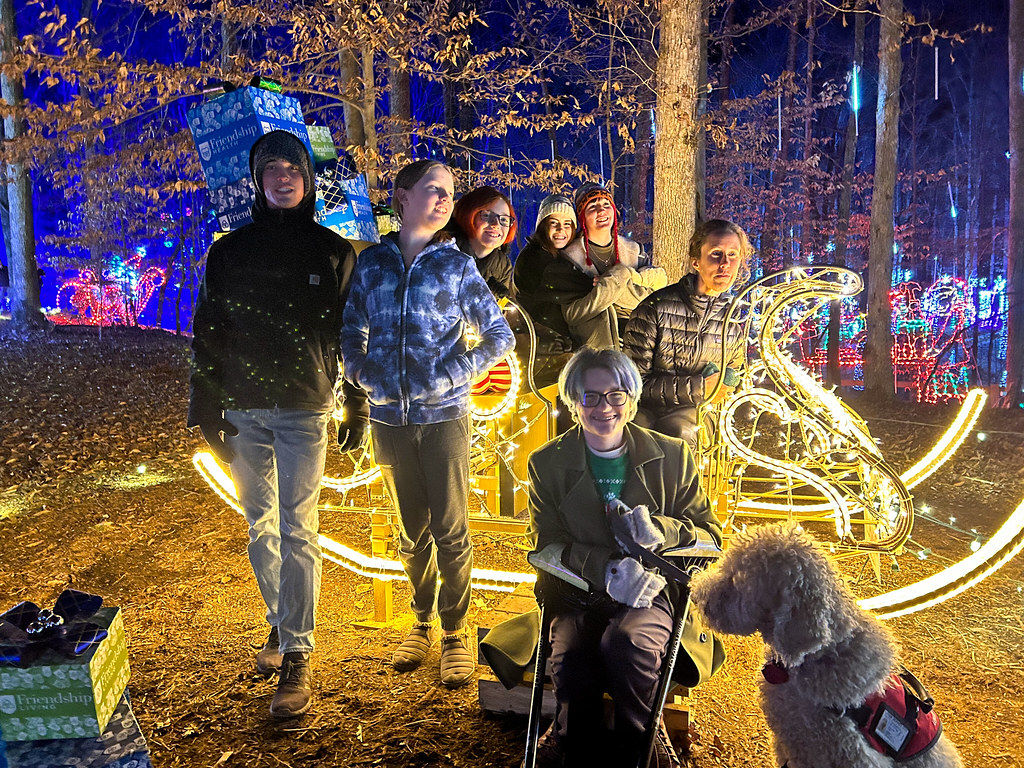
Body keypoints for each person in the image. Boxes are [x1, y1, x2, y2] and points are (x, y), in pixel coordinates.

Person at [188, 130, 364, 719]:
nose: (284, 177)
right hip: (242, 408)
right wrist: (204, 405)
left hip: (304, 409)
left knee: (299, 529)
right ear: (258, 180)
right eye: (272, 169)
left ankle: (297, 655)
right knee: (259, 530)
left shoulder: (333, 251)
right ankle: (281, 621)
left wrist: (358, 402)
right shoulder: (229, 253)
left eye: (294, 168)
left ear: (307, 179)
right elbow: (208, 330)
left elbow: (349, 335)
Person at [341, 159, 515, 688]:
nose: (443, 200)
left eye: (449, 193)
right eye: (433, 191)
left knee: (452, 529)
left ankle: (456, 632)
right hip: (389, 420)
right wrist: (367, 377)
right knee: (410, 529)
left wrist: (450, 375)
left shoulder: (456, 267)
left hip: (445, 419)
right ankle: (420, 621)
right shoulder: (371, 265)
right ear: (402, 197)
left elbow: (498, 338)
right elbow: (350, 332)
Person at [526, 347, 722, 767]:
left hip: (650, 594)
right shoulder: (546, 463)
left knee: (629, 644)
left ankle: (644, 743)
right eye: (590, 396)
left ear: (631, 400)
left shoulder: (673, 456)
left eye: (616, 395)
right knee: (573, 657)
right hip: (578, 594)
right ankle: (570, 739)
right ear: (572, 400)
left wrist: (662, 532)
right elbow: (546, 544)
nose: (604, 407)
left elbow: (710, 536)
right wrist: (606, 568)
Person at [622, 218, 753, 447]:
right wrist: (699, 387)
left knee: (678, 433)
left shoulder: (734, 322)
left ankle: (681, 482)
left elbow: (731, 383)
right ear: (696, 261)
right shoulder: (655, 308)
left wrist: (726, 385)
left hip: (698, 415)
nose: (725, 264)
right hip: (646, 409)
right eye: (715, 253)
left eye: (733, 255)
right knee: (635, 433)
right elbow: (632, 385)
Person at [534, 183, 667, 350]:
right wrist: (613, 287)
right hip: (599, 348)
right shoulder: (569, 257)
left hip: (643, 343)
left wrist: (621, 276)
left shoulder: (634, 250)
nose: (601, 211)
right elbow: (573, 315)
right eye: (592, 206)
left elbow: (654, 300)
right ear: (581, 216)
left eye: (606, 204)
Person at [512, 193, 577, 341]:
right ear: (542, 226)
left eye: (567, 224)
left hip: (554, 339)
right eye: (554, 223)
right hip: (546, 344)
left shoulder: (557, 255)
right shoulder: (535, 259)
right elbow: (577, 287)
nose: (561, 229)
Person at [450, 185, 516, 298]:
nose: (496, 225)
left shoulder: (502, 266)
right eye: (486, 215)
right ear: (468, 215)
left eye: (504, 219)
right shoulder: (446, 252)